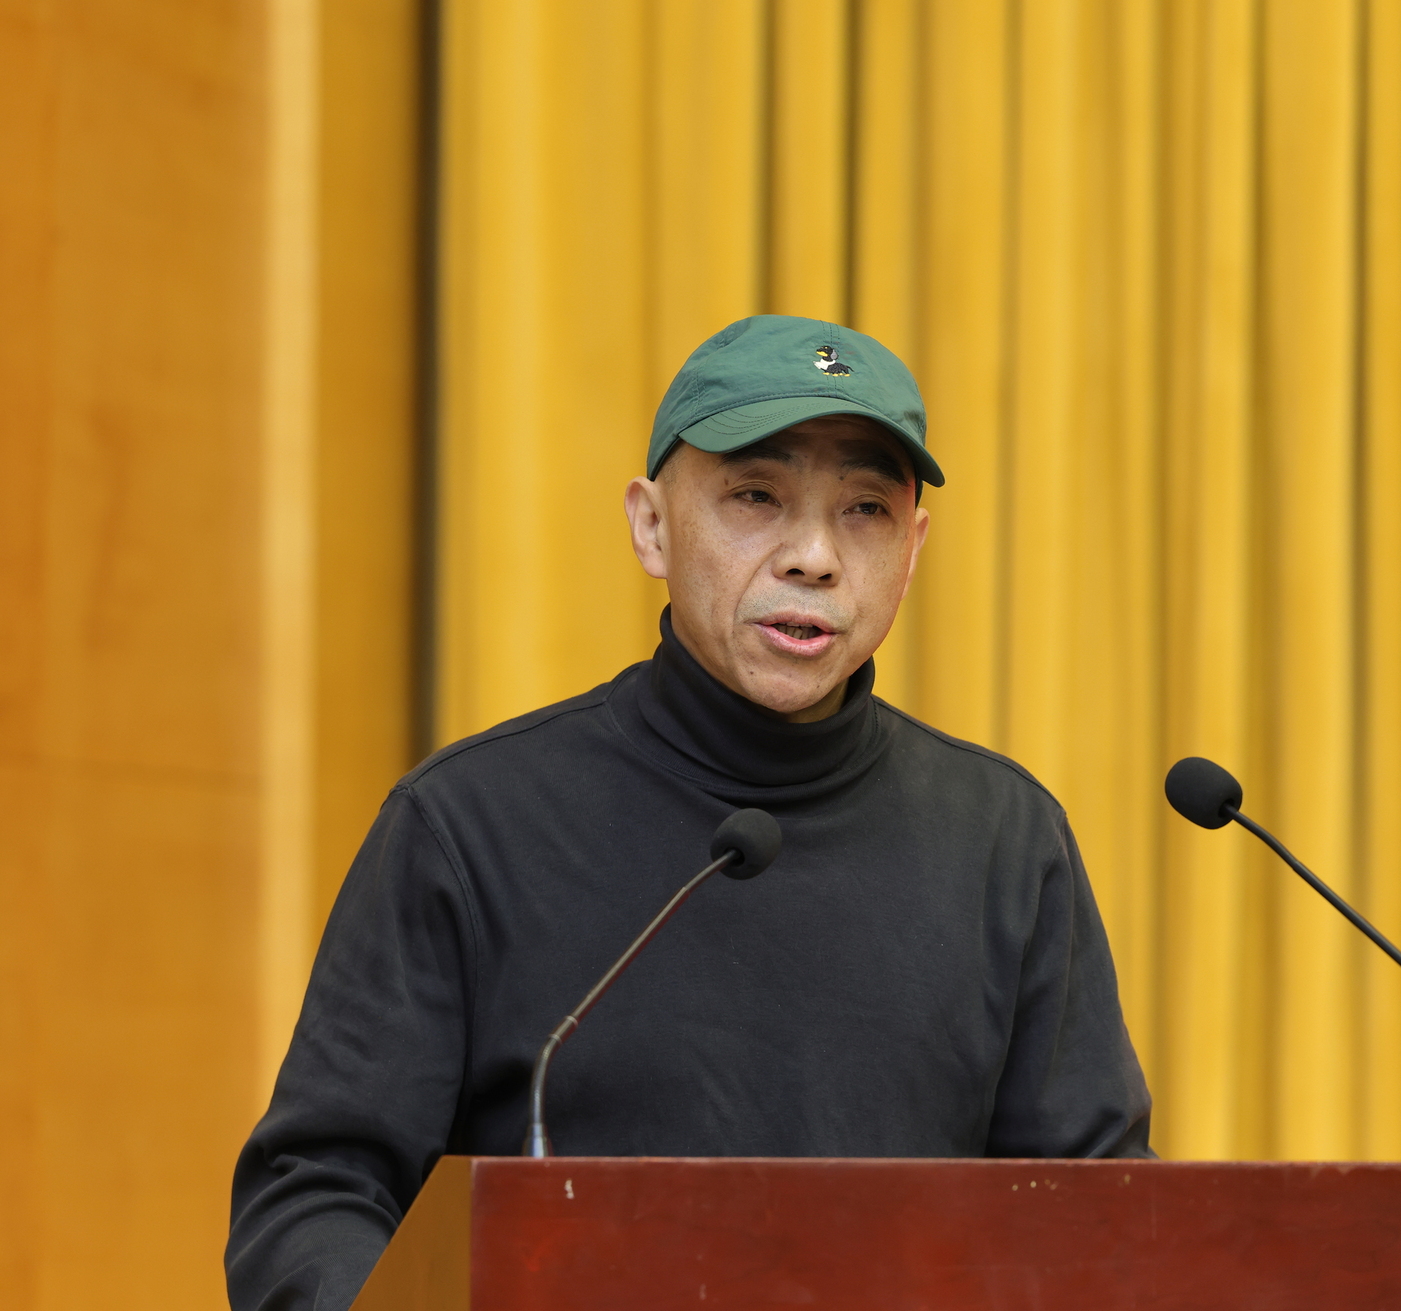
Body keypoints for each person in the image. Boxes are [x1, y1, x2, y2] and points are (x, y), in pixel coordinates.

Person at [225, 315, 1153, 1310]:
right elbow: (317, 1195)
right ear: (651, 526)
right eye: (756, 496)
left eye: (865, 510)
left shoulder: (1004, 841)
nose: (814, 557)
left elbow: (1101, 1221)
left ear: (912, 550)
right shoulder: (470, 825)